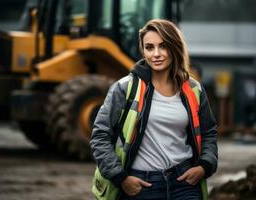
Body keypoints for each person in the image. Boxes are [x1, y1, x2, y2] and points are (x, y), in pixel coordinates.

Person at [90, 19, 218, 200]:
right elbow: (100, 136)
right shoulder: (125, 88)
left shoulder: (194, 89)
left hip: (185, 183)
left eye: (163, 46)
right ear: (143, 51)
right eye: (149, 47)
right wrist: (121, 177)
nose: (156, 54)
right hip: (142, 185)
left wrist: (204, 165)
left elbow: (209, 132)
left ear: (174, 48)